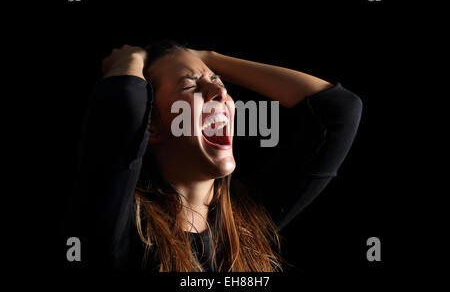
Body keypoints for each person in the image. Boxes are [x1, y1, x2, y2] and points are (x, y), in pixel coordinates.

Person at [72, 40, 362, 272]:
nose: (220, 92)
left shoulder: (246, 221)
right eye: (190, 86)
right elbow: (125, 101)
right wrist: (132, 57)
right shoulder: (124, 227)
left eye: (218, 80)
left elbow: (338, 111)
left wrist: (209, 56)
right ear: (150, 125)